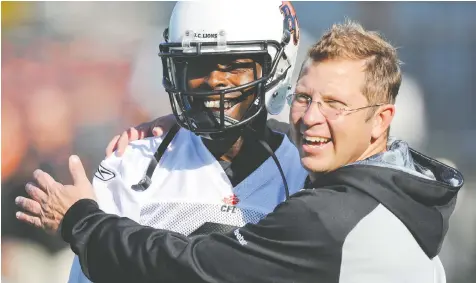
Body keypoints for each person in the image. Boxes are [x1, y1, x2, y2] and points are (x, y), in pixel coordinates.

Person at [16, 20, 464, 283]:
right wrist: (204, 120)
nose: (310, 117)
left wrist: (82, 221)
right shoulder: (398, 189)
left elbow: (197, 266)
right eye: (304, 98)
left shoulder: (330, 216)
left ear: (381, 119)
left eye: (335, 105)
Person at [55, 1, 307, 283]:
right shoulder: (133, 165)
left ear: (278, 67)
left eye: (234, 65)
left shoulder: (308, 173)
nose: (214, 80)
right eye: (197, 64)